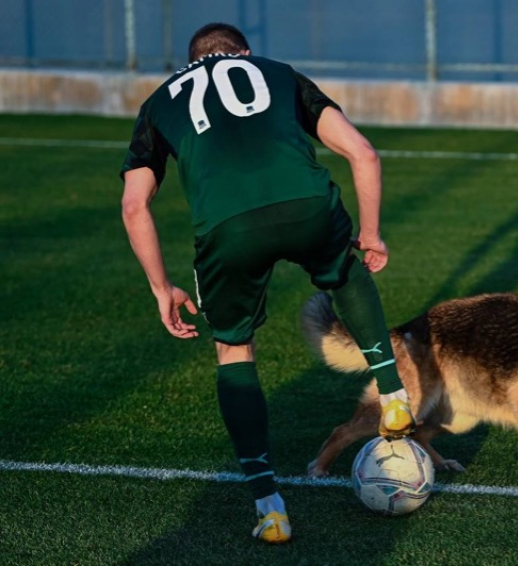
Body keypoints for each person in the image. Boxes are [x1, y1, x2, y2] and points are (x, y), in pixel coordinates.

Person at [119, 22, 414, 544]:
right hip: (307, 207)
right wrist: (369, 234)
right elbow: (363, 152)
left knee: (234, 350)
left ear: (189, 63)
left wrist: (161, 287)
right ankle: (393, 393)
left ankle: (269, 506)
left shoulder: (159, 102)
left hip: (227, 230)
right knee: (344, 269)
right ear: (245, 54)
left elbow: (134, 204)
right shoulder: (278, 74)